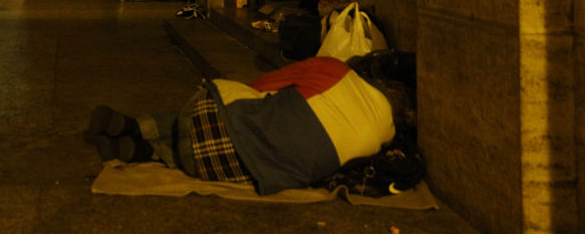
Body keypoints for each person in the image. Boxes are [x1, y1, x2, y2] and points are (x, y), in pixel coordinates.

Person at [85, 56, 398, 195]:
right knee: (213, 147)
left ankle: (133, 126)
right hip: (224, 170)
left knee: (222, 107)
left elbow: (261, 86)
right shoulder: (384, 139)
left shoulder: (333, 70)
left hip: (206, 120)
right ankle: (146, 152)